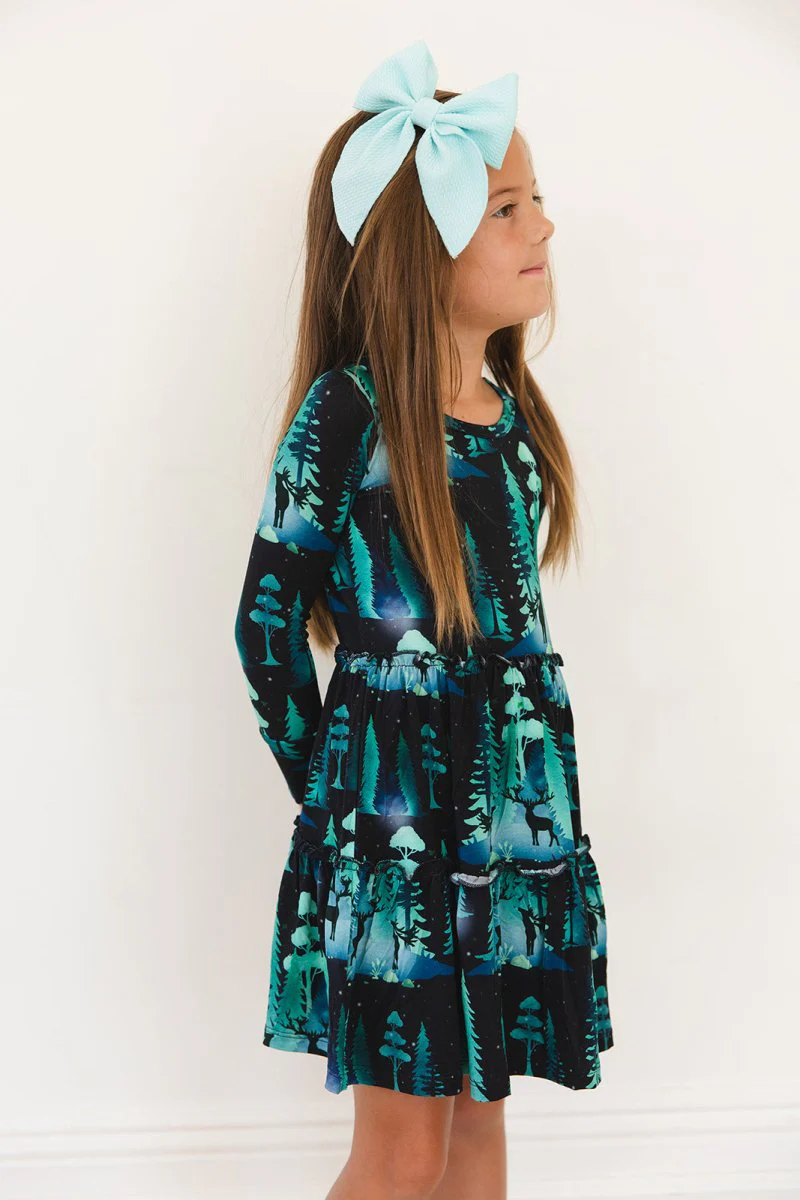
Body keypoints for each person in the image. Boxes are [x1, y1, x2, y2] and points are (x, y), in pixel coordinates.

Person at [233, 39, 614, 1200]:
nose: (542, 226)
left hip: (506, 826)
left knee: (478, 1131)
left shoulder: (510, 415)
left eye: (534, 200)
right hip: (392, 834)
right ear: (423, 242)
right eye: (506, 208)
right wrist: (336, 798)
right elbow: (264, 627)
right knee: (401, 1152)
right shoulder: (344, 415)